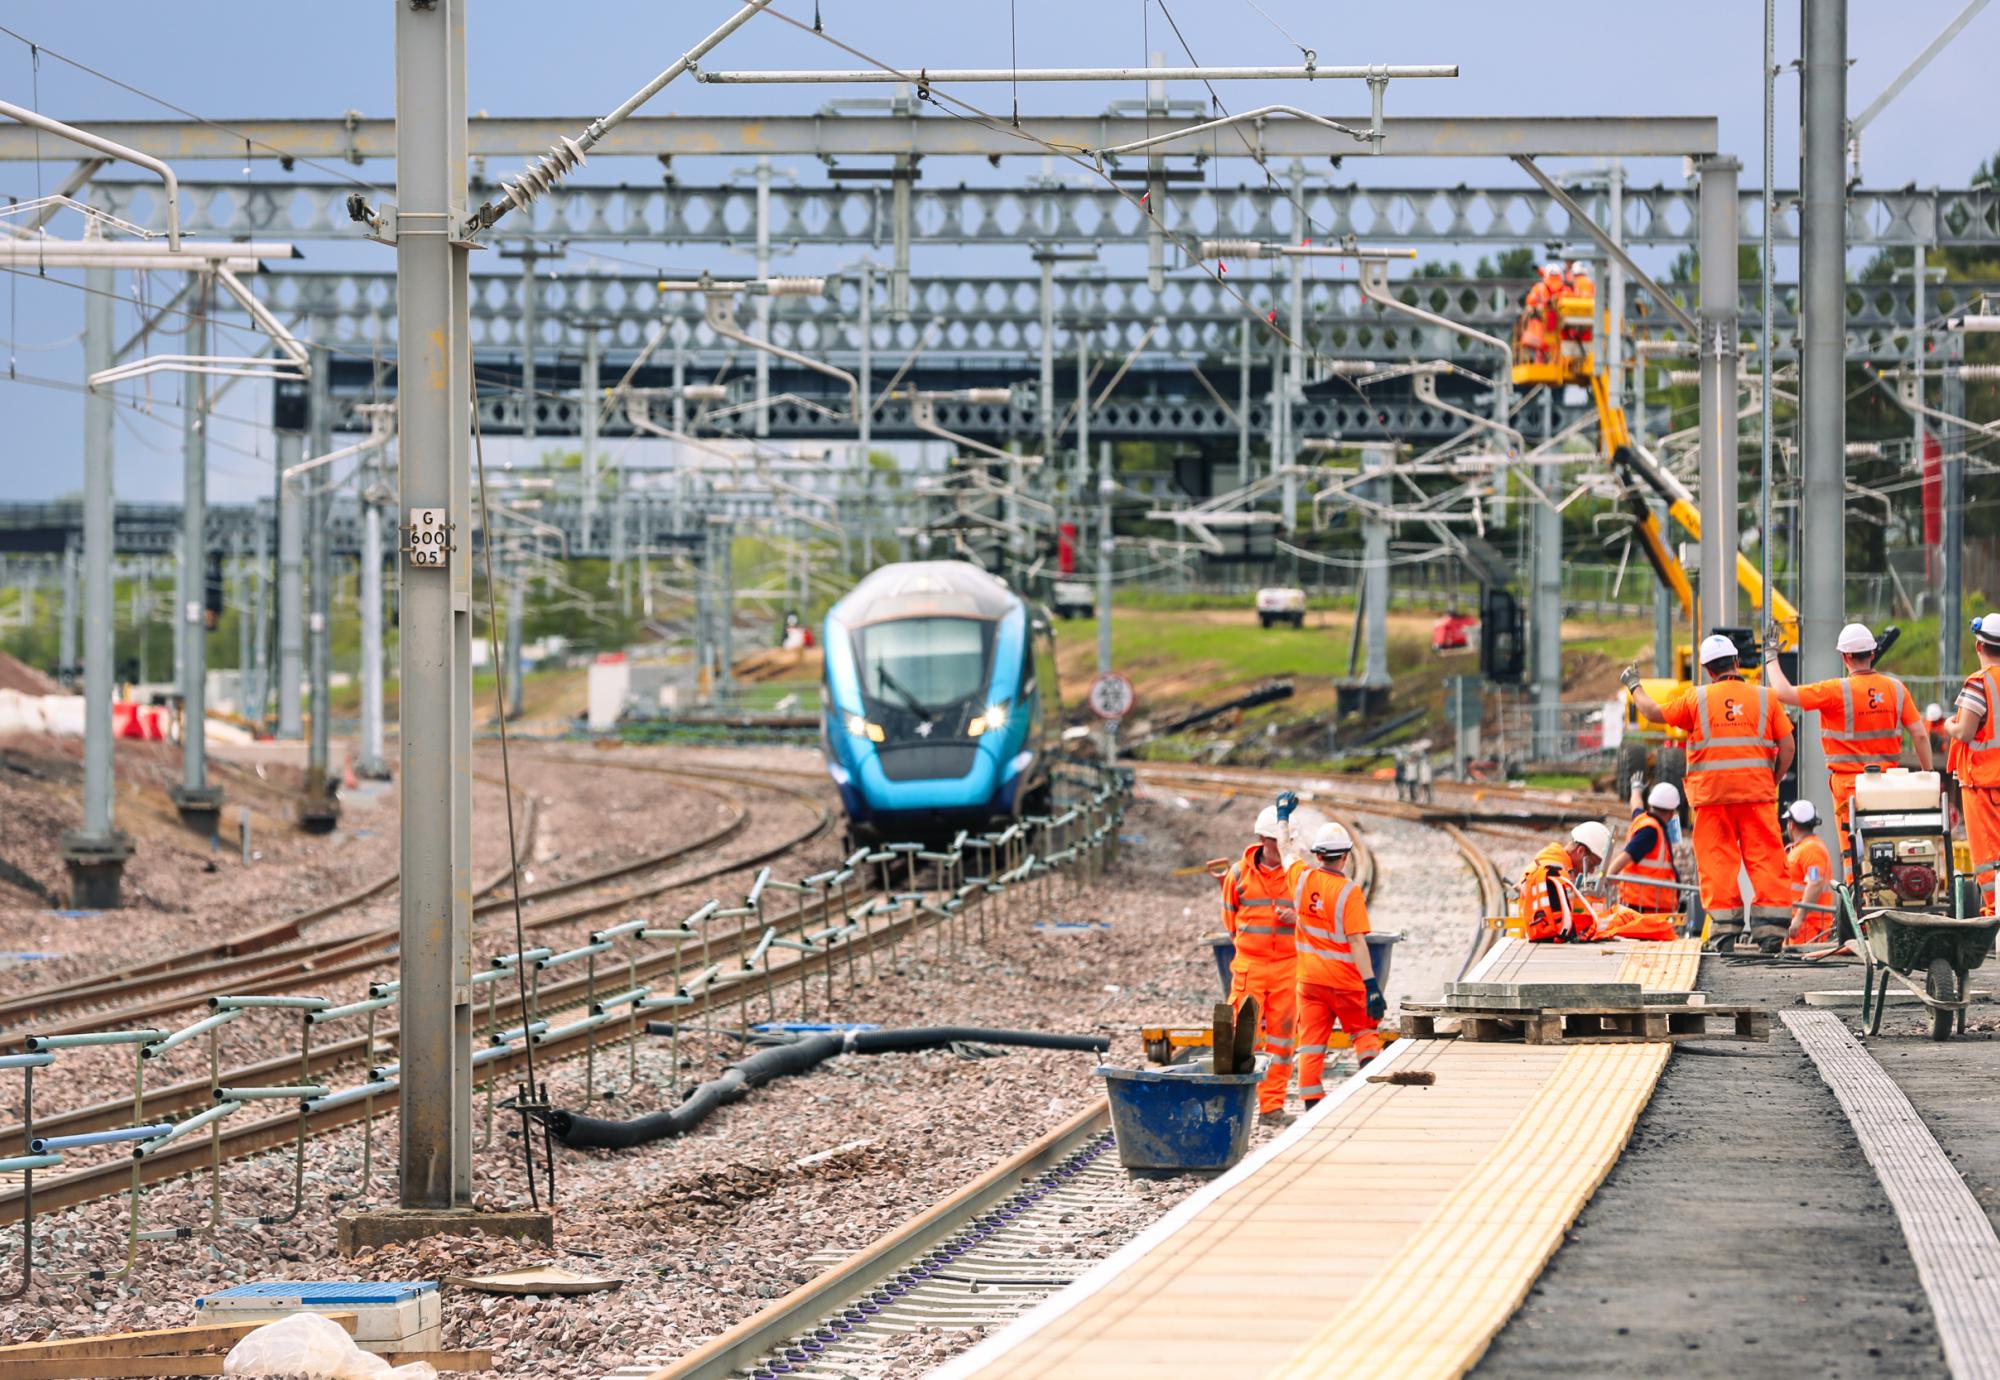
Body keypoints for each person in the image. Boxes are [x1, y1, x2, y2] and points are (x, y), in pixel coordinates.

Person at [1624, 633, 1796, 953]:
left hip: (1711, 797)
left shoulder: (1695, 699)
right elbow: (1787, 746)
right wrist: (1772, 778)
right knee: (1766, 860)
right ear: (1735, 663)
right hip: (1756, 795)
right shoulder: (1765, 698)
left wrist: (1634, 683)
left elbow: (1651, 713)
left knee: (1717, 862)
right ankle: (1770, 932)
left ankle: (1724, 933)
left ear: (1706, 669)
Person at [1762, 621, 1930, 873]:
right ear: (1873, 654)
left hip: (1850, 787)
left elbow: (1784, 693)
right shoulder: (1896, 688)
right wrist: (1927, 774)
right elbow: (1919, 735)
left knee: (1854, 852)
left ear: (1845, 657)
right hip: (1890, 785)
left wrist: (1770, 656)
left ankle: (1858, 900)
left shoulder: (1834, 691)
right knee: (1892, 846)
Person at [1218, 806, 1303, 1118]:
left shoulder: (1298, 875)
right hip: (1250, 966)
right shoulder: (1238, 874)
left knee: (1282, 1039)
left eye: (1286, 843)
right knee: (1240, 1035)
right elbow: (1230, 921)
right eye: (1275, 842)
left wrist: (1296, 918)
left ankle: (1272, 1106)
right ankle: (1233, 1105)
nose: (1280, 849)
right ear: (1261, 840)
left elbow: (1314, 918)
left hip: (1287, 966)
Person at [1292, 822, 1385, 1105]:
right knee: (1365, 1031)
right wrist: (1371, 985)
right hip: (1344, 982)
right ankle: (1371, 1092)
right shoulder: (1349, 892)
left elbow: (1286, 854)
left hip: (1309, 983)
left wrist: (1284, 822)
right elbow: (1357, 942)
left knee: (1310, 1046)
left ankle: (1312, 1105)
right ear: (1345, 855)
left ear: (1317, 855)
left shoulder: (1301, 879)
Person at [1946, 614, 2000, 911]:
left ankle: (1995, 912)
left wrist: (1948, 725)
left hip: (1983, 784)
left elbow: (1965, 731)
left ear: (1979, 646)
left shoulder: (1979, 683)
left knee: (1989, 857)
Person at [1520, 821, 1613, 942]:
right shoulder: (1555, 874)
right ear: (1580, 851)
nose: (1591, 871)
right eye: (1592, 864)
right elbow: (1558, 928)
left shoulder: (1555, 864)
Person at [1603, 779, 1684, 917]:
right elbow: (1626, 856)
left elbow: (1636, 805)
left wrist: (1636, 789)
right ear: (1671, 813)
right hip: (1645, 908)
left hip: (1647, 905)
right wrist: (1609, 878)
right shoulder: (1650, 831)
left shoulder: (1643, 819)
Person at [1783, 800, 1835, 946]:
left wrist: (1799, 919)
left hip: (1807, 927)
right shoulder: (1802, 848)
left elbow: (1814, 882)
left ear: (1791, 824)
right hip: (1801, 926)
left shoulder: (1811, 850)